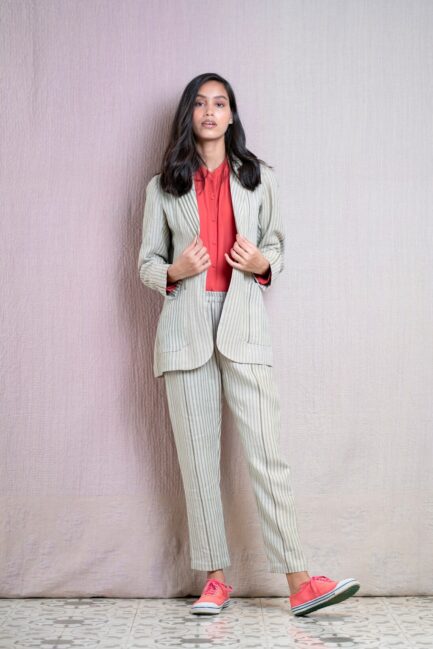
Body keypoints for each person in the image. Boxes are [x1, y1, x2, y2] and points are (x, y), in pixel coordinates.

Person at [138, 72, 360, 616]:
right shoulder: (162, 186)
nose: (210, 112)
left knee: (267, 455)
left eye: (220, 103)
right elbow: (146, 263)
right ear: (189, 115)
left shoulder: (261, 179)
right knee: (198, 460)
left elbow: (276, 246)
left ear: (232, 115)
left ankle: (300, 582)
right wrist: (175, 270)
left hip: (243, 324)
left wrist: (262, 263)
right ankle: (214, 580)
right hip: (185, 329)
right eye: (200, 103)